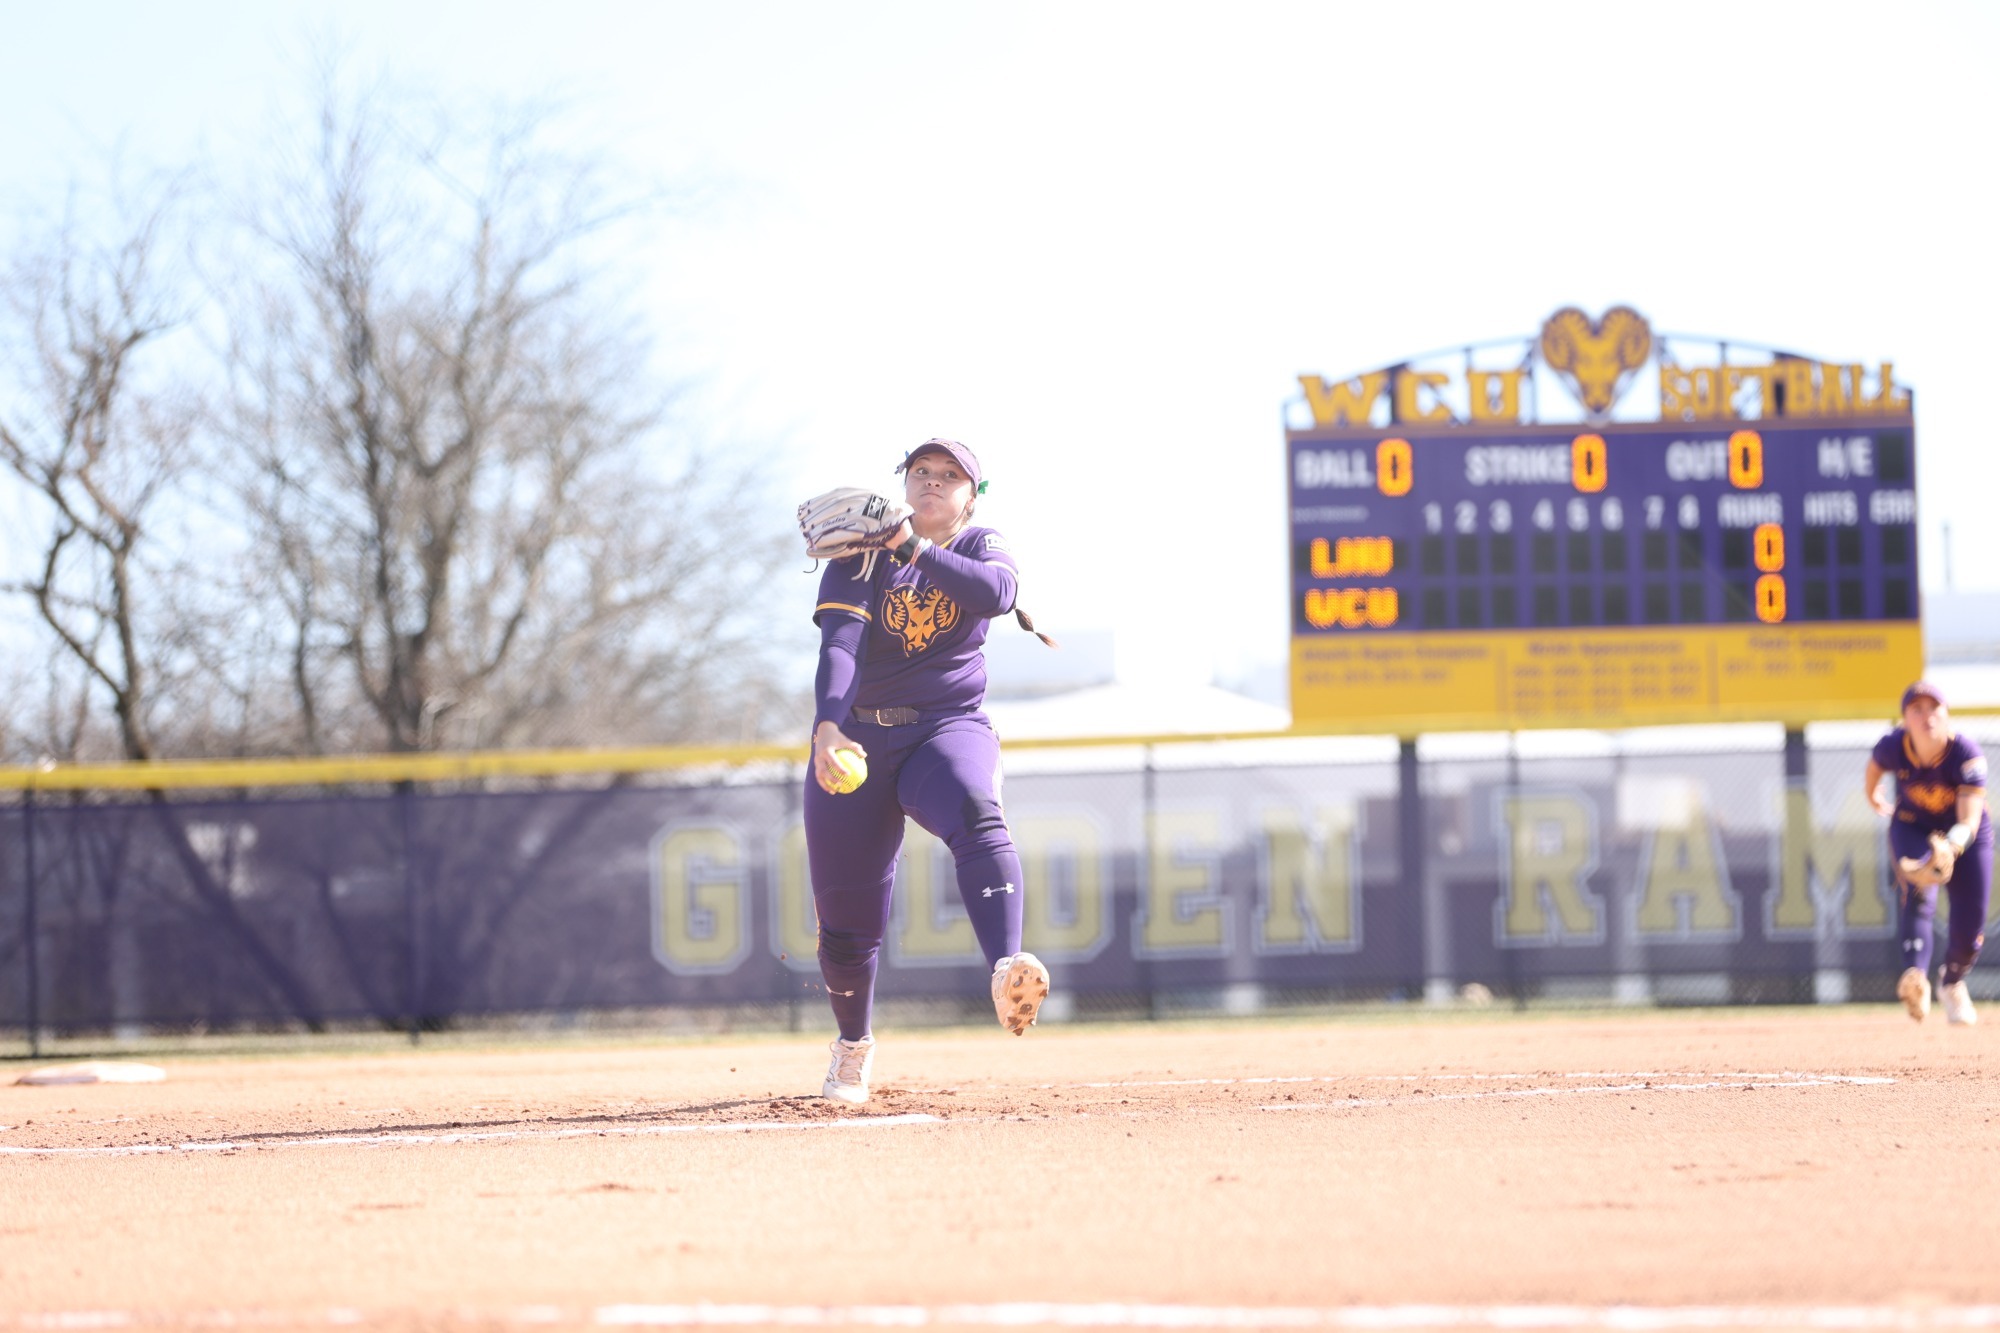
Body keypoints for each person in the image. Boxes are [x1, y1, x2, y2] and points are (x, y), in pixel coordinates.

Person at [805, 438, 1051, 1103]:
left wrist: (911, 547)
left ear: (973, 496)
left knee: (975, 807)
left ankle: (1007, 966)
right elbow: (841, 648)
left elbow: (996, 593)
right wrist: (828, 725)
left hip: (947, 727)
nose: (934, 482)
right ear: (904, 484)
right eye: (922, 472)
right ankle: (852, 1044)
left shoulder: (981, 545)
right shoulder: (859, 554)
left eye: (951, 476)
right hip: (856, 739)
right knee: (846, 924)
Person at [1865, 681, 1991, 1024]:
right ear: (1905, 718)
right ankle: (1915, 977)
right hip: (1912, 826)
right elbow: (1874, 767)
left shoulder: (1966, 754)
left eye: (1933, 707)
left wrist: (1951, 847)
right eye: (1916, 709)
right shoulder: (1894, 745)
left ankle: (1951, 983)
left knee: (1970, 925)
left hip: (1966, 835)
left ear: (1946, 714)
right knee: (1919, 890)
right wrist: (1872, 795)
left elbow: (1969, 819)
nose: (1926, 716)